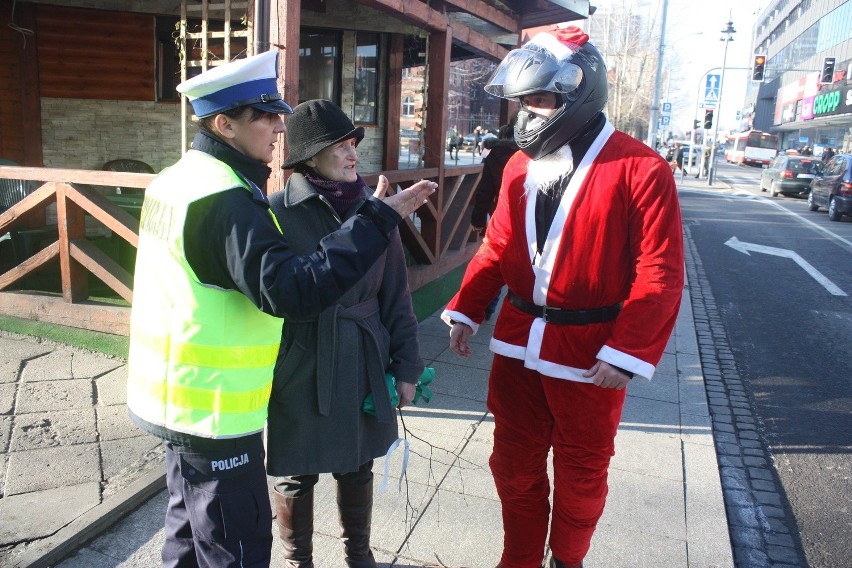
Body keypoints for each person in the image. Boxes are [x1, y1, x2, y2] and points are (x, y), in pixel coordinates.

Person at [125, 50, 435, 568]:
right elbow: (291, 291)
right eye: (265, 116)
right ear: (224, 123)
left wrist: (404, 361)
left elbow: (394, 296)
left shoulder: (179, 180)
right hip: (216, 409)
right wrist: (378, 219)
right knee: (237, 549)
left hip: (179, 400)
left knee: (187, 540)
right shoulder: (226, 200)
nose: (277, 125)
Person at [442, 28, 684, 568]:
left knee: (581, 475)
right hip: (518, 345)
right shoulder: (518, 165)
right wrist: (468, 309)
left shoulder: (641, 168)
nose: (529, 113)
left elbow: (660, 273)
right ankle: (520, 559)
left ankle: (568, 559)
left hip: (592, 354)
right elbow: (498, 243)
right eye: (524, 101)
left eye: (541, 99)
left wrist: (628, 352)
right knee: (512, 466)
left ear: (579, 93)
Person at [265, 99, 425, 567]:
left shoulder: (378, 212)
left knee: (357, 465)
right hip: (300, 355)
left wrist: (408, 366)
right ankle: (299, 561)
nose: (352, 152)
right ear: (309, 156)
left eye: (353, 142)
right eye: (339, 145)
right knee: (295, 470)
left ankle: (359, 556)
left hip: (362, 353)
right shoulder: (276, 212)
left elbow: (396, 296)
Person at [470, 119, 519, 320]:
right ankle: (520, 305)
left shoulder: (496, 153)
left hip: (501, 214)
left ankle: (488, 305)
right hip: (530, 216)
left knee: (495, 261)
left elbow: (485, 190)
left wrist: (478, 219)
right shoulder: (537, 152)